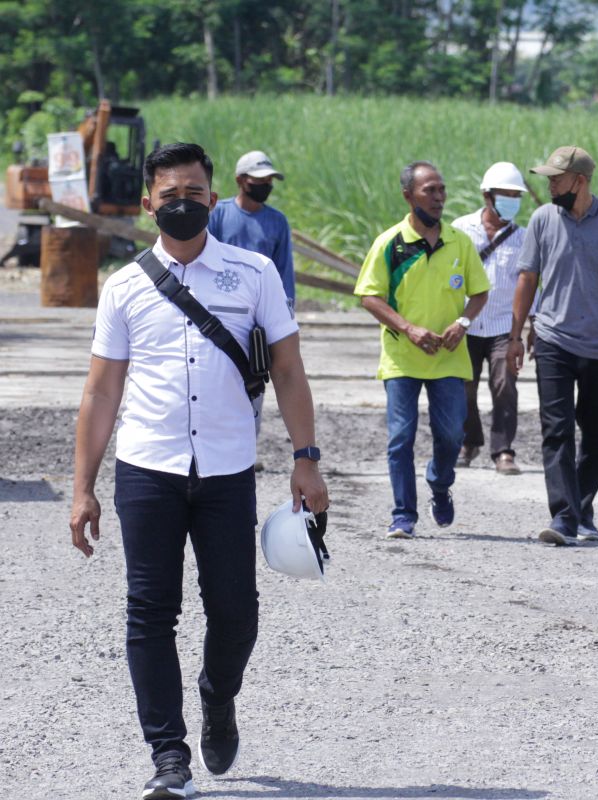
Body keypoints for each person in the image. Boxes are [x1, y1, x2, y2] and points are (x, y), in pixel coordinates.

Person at [68, 142, 329, 800]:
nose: (182, 202)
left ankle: (218, 695)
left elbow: (291, 370)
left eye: (193, 191)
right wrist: (82, 487)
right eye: (169, 193)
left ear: (213, 198)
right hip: (147, 470)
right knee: (150, 613)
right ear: (147, 203)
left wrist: (307, 458)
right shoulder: (125, 287)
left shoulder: (254, 274)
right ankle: (168, 757)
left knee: (236, 612)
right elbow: (100, 395)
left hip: (226, 470)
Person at [507, 145, 598, 546]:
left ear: (579, 181)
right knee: (557, 429)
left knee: (595, 436)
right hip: (552, 339)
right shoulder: (542, 219)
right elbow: (527, 280)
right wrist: (515, 337)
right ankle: (564, 516)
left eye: (556, 178)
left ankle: (583, 507)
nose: (549, 185)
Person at [354, 160, 489, 539]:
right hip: (402, 359)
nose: (439, 197)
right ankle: (403, 515)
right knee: (401, 438)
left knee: (450, 435)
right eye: (430, 190)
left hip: (448, 358)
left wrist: (462, 323)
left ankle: (440, 484)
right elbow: (369, 296)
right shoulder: (390, 244)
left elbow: (479, 292)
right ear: (408, 195)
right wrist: (408, 328)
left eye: (441, 189)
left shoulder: (458, 241)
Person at [208, 150, 295, 455]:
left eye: (269, 180)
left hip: (258, 319)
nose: (265, 185)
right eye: (259, 180)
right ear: (241, 180)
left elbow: (284, 273)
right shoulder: (218, 215)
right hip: (218, 316)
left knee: (254, 380)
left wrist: (285, 316)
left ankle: (245, 449)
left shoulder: (277, 222)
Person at [451, 161, 531, 475]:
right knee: (463, 386)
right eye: (505, 194)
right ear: (487, 196)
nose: (512, 200)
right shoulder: (460, 229)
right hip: (467, 322)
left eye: (517, 195)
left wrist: (529, 326)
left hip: (503, 325)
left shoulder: (524, 237)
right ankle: (469, 441)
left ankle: (504, 450)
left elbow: (530, 284)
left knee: (505, 384)